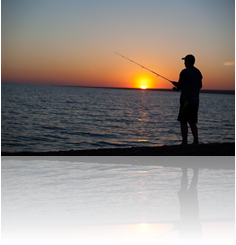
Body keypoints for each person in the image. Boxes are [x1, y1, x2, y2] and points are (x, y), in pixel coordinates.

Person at [172, 54, 203, 145]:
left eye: (185, 61)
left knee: (183, 121)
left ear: (188, 61)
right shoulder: (198, 72)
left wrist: (176, 85)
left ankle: (184, 142)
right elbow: (200, 86)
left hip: (186, 100)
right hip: (195, 100)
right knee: (192, 122)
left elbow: (180, 86)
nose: (184, 63)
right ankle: (196, 141)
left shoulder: (184, 72)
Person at [172, 168, 203, 243]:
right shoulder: (184, 239)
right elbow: (181, 226)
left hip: (195, 211)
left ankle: (196, 170)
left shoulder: (197, 239)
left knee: (192, 189)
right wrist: (177, 226)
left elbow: (200, 226)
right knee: (183, 190)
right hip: (185, 211)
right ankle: (184, 170)